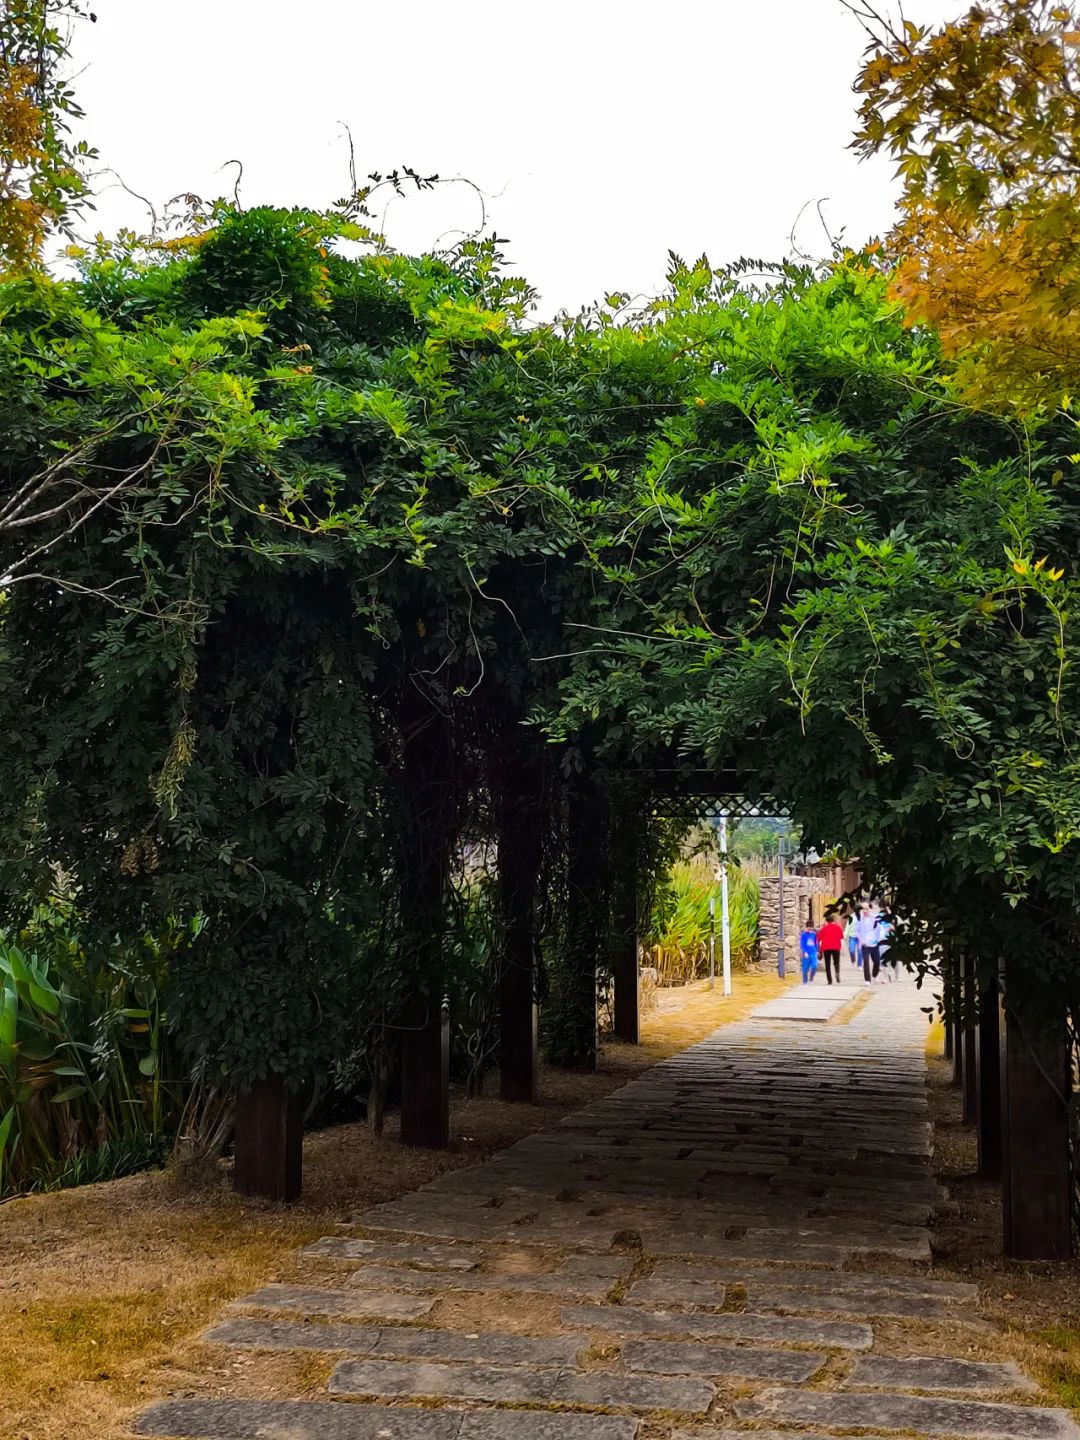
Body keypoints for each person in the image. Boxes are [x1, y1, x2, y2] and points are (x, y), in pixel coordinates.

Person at [817, 910, 845, 986]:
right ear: (833, 920)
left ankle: (829, 980)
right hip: (836, 947)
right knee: (836, 962)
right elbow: (841, 937)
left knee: (827, 964)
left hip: (826, 947)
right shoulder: (838, 928)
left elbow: (819, 939)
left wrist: (819, 950)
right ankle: (837, 973)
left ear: (826, 921)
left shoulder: (824, 928)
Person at [857, 903, 881, 983]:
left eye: (866, 909)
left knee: (877, 962)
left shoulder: (875, 918)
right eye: (863, 909)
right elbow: (857, 932)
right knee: (866, 962)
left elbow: (879, 929)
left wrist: (879, 939)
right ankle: (867, 980)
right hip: (865, 944)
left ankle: (874, 975)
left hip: (874, 943)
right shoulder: (859, 919)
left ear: (869, 909)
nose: (865, 911)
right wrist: (862, 940)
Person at [799, 914, 819, 984]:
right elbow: (802, 944)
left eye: (811, 928)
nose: (809, 929)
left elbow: (816, 942)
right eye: (808, 928)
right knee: (805, 968)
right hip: (806, 953)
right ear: (806, 927)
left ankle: (811, 977)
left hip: (813, 952)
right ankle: (805, 981)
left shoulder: (814, 934)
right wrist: (805, 952)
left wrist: (817, 950)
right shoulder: (803, 935)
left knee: (814, 966)